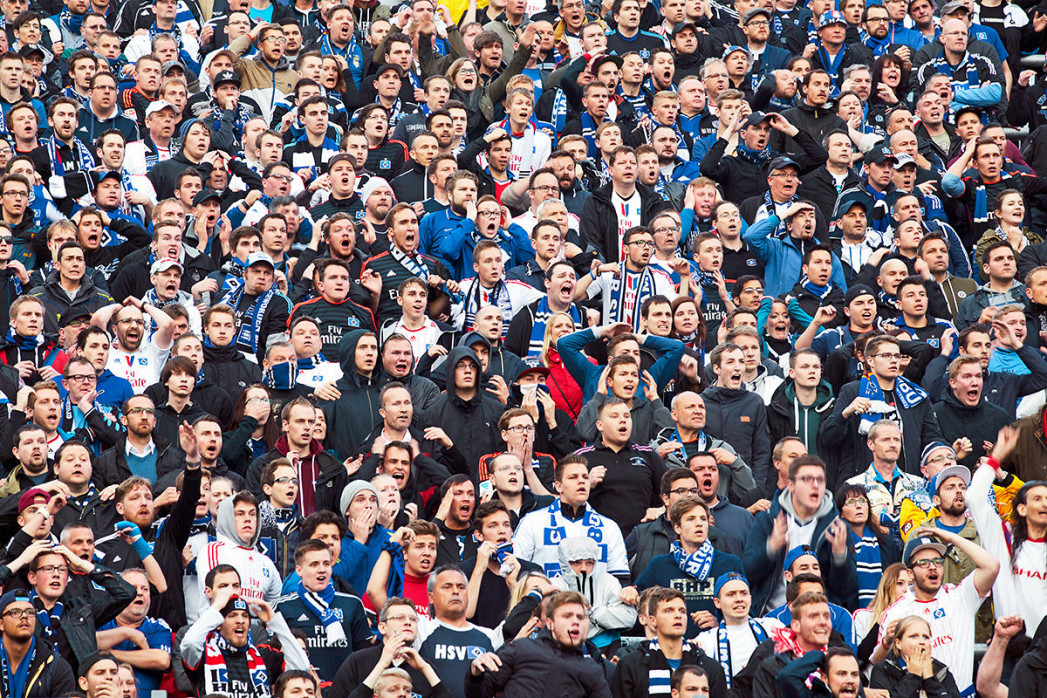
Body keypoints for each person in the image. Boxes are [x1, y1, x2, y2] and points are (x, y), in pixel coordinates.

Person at [878, 529, 1000, 697]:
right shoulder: (895, 612)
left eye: (937, 561)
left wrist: (951, 538)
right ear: (910, 573)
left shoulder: (960, 596)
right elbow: (877, 665)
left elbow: (992, 566)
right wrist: (887, 642)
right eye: (924, 563)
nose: (933, 567)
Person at [464, 590, 612, 698]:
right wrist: (475, 675)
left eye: (580, 617)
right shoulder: (521, 649)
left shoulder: (593, 670)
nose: (575, 621)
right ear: (550, 623)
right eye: (567, 616)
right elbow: (480, 693)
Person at [180, 585, 311, 698]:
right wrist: (216, 607)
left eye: (245, 616)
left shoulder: (264, 655)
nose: (240, 621)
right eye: (232, 615)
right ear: (218, 623)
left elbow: (301, 667)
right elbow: (189, 643)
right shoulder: (204, 655)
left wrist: (274, 621)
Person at [275, 539, 372, 680]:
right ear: (299, 570)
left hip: (344, 691)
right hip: (302, 690)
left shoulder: (352, 604)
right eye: (314, 564)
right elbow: (276, 659)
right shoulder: (283, 607)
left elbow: (364, 657)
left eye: (326, 564)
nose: (322, 569)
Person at [612, 587, 727, 698]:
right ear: (652, 620)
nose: (678, 615)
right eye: (668, 611)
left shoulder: (710, 667)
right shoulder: (630, 666)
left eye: (682, 611)